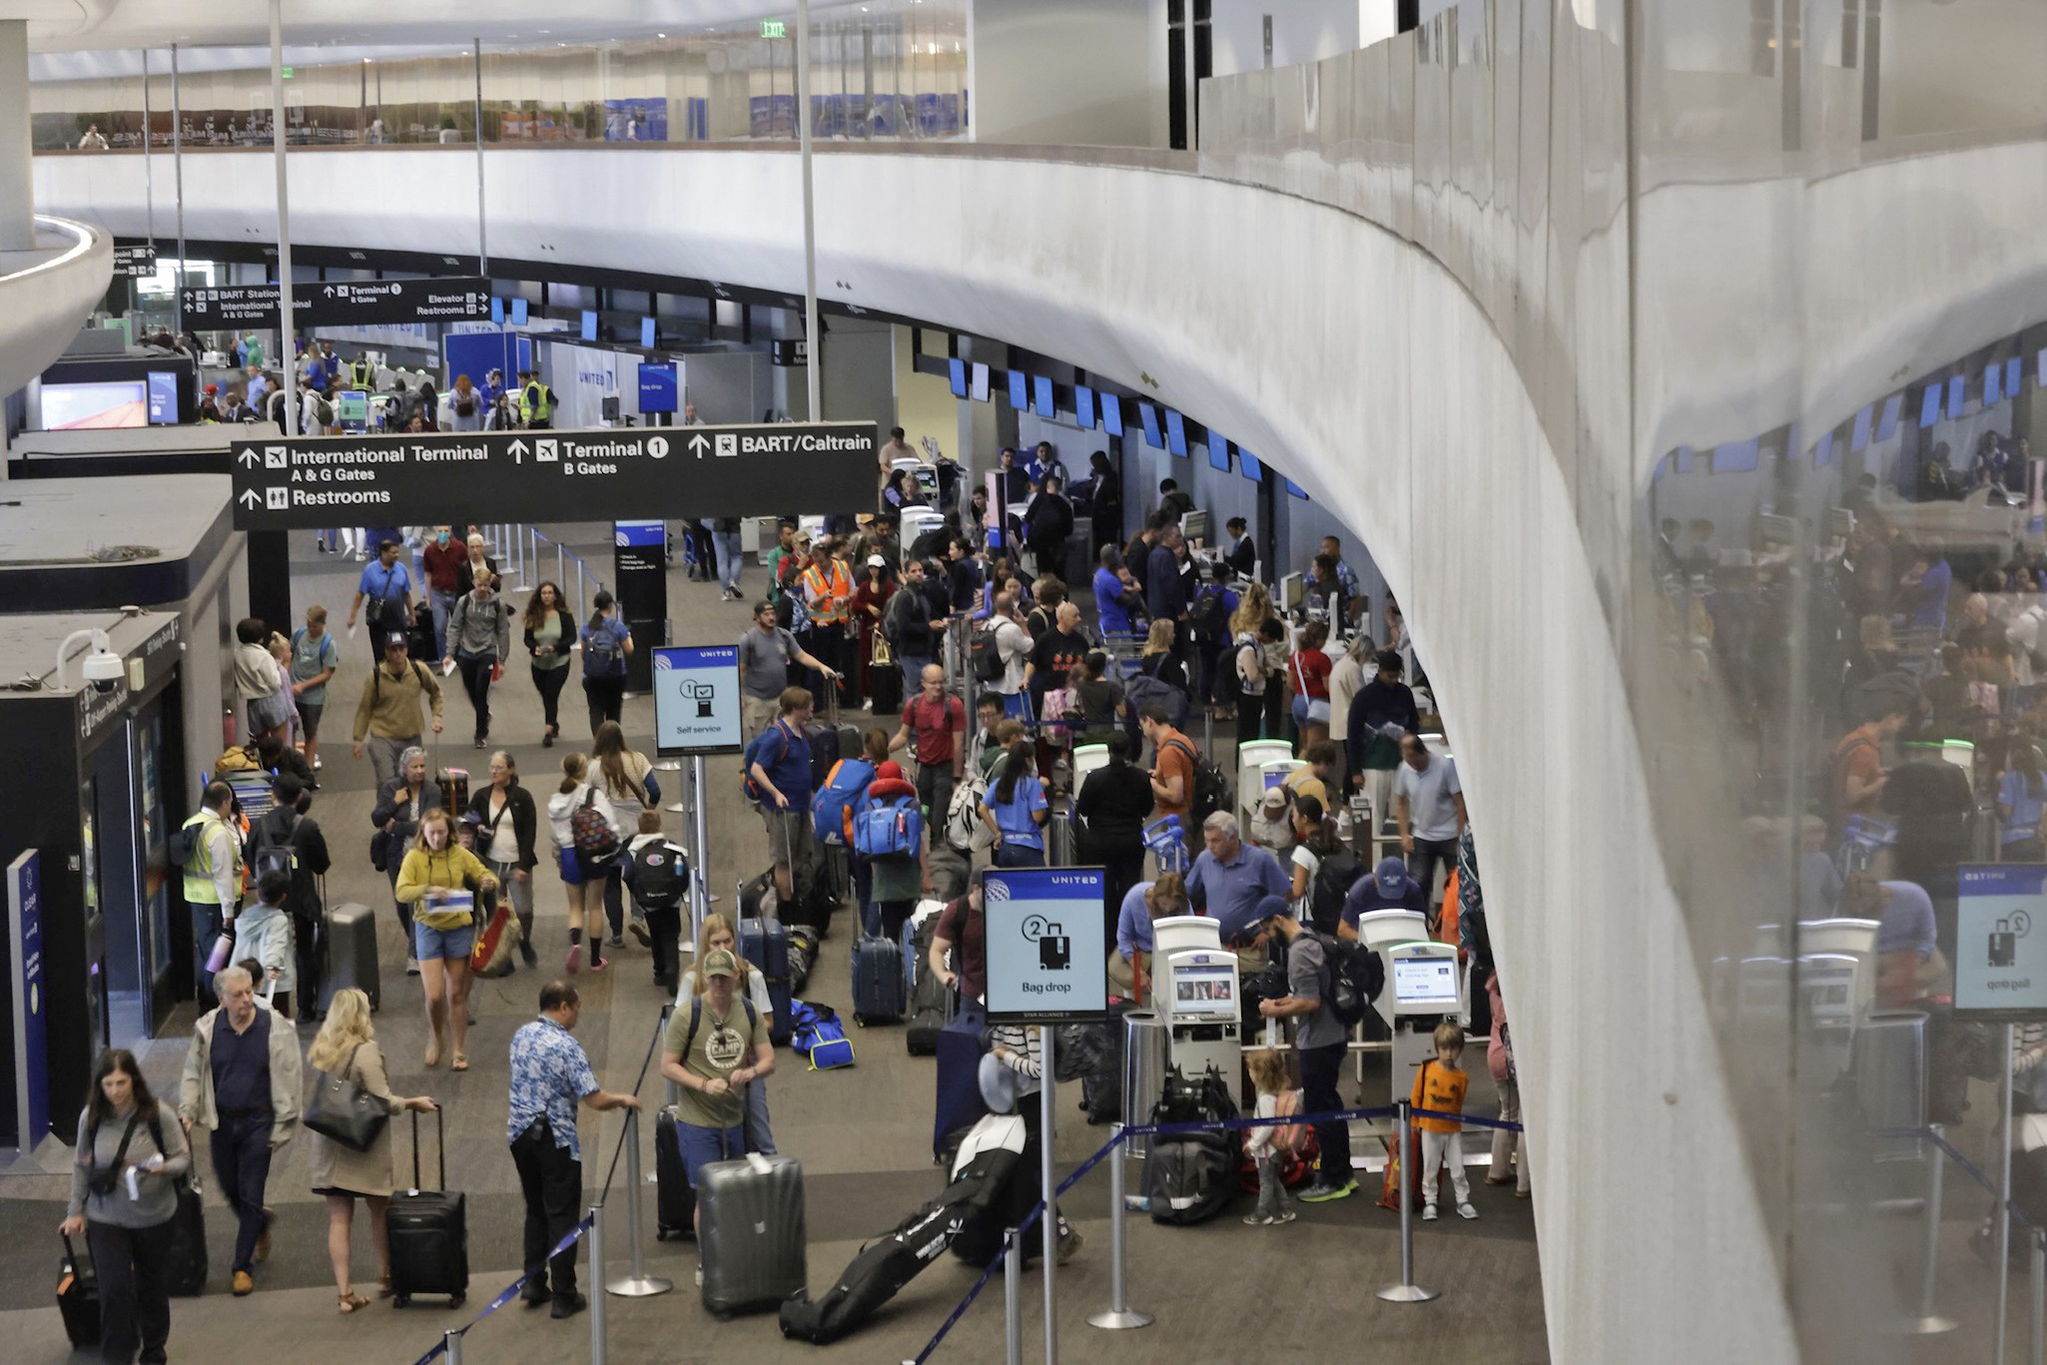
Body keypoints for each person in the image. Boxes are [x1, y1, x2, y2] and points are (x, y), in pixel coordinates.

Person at [507, 981, 641, 1318]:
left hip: (519, 1135)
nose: (579, 1013)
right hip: (555, 1137)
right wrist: (621, 1099)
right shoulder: (566, 1046)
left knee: (535, 1208)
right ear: (563, 1006)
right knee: (562, 1214)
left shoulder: (521, 1035)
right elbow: (592, 1097)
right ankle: (564, 1295)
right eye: (577, 1007)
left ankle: (534, 1281)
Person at [305, 990, 437, 1312]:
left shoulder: (323, 1049)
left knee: (339, 1218)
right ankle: (385, 1274)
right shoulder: (365, 1051)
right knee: (380, 1208)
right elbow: (384, 1101)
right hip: (362, 1145)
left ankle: (345, 1293)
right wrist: (413, 1103)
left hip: (329, 1143)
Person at [178, 965, 303, 1295]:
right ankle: (260, 1222)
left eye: (249, 991)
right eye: (238, 995)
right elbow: (193, 1072)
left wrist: (283, 1125)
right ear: (222, 999)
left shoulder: (272, 1026)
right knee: (228, 1187)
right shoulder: (208, 1029)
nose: (247, 999)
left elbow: (292, 1076)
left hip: (259, 1121)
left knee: (250, 1193)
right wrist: (188, 1111)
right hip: (222, 1122)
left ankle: (241, 1267)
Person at [62, 1049, 191, 1364]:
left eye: (121, 1082)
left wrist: (161, 1169)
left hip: (154, 1217)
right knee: (115, 1291)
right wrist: (75, 1211)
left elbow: (182, 1158)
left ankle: (153, 1350)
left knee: (151, 1287)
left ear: (134, 1080)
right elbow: (82, 1166)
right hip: (106, 1218)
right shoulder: (90, 1118)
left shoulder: (157, 1114)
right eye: (108, 1084)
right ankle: (117, 1356)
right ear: (99, 1085)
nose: (115, 1091)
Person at [1228, 895, 1354, 1203]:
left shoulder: (1298, 953)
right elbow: (1308, 992)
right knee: (1331, 1106)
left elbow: (1310, 1001)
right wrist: (1280, 1002)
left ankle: (1332, 1180)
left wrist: (1275, 1011)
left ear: (1279, 920)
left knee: (1321, 1110)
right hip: (1334, 1034)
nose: (1267, 935)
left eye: (1268, 928)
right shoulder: (1315, 940)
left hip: (1318, 1042)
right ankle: (1344, 1173)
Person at [659, 948, 775, 1261]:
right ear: (706, 980)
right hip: (698, 1123)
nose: (720, 984)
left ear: (737, 977)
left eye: (725, 977)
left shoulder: (748, 1011)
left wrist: (749, 1072)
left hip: (734, 1119)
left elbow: (768, 1061)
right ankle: (708, 1261)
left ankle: (734, 1259)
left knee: (735, 1194)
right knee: (707, 1197)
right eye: (714, 978)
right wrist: (703, 1084)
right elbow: (667, 1065)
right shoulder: (688, 1015)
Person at [395, 809, 498, 1071]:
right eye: (432, 833)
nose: (437, 838)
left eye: (442, 832)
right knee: (435, 995)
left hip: (458, 928)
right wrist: (428, 889)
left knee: (456, 993)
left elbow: (485, 874)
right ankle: (436, 1037)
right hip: (428, 928)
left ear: (449, 832)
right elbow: (402, 892)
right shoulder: (415, 858)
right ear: (423, 833)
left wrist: (487, 881)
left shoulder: (460, 855)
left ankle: (459, 1050)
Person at [987, 1022, 1082, 1263]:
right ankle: (1056, 1236)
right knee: (1025, 1174)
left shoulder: (1032, 1029)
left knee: (1032, 1173)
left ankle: (1057, 1235)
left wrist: (1006, 1057)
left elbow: (1041, 1069)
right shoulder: (1000, 1023)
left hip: (1034, 1102)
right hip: (1010, 1101)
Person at [888, 664, 965, 885]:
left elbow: (958, 743)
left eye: (941, 682)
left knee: (939, 818)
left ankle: (935, 867)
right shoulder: (913, 705)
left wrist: (957, 778)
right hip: (924, 769)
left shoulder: (954, 705)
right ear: (923, 684)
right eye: (933, 683)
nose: (938, 687)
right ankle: (937, 858)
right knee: (927, 815)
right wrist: (882, 751)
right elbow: (903, 735)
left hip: (945, 768)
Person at [372, 748, 443, 977]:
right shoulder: (391, 788)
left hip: (423, 855)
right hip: (396, 855)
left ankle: (415, 954)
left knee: (416, 904)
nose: (420, 771)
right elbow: (377, 819)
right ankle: (416, 941)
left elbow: (428, 825)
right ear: (404, 768)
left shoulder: (433, 790)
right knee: (402, 903)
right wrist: (394, 803)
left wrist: (397, 827)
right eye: (415, 767)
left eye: (422, 766)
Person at [748, 687, 822, 904]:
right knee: (784, 860)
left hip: (801, 806)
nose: (812, 709)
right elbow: (756, 769)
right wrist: (776, 793)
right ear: (796, 709)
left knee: (802, 855)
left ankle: (796, 898)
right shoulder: (777, 737)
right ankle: (786, 906)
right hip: (783, 809)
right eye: (808, 705)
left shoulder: (801, 732)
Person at [470, 750, 542, 970]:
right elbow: (469, 817)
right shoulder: (482, 795)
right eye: (492, 767)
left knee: (523, 910)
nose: (494, 771)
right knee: (496, 912)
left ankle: (524, 940)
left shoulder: (522, 797)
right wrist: (479, 827)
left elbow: (530, 831)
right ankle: (505, 956)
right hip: (490, 862)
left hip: (516, 863)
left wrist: (523, 865)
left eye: (499, 767)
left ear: (511, 769)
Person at [548, 753, 617, 974]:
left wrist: (559, 859)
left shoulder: (556, 799)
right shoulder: (593, 795)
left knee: (575, 906)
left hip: (569, 854)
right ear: (584, 770)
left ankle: (576, 944)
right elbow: (610, 824)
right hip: (595, 854)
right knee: (595, 906)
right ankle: (596, 960)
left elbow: (555, 837)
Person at [590, 720, 657, 949]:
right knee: (636, 877)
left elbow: (586, 799)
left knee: (610, 884)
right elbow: (655, 790)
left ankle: (616, 934)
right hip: (636, 830)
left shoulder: (593, 767)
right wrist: (649, 808)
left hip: (607, 833)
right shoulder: (637, 759)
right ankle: (638, 919)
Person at [351, 630, 444, 790]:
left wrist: (436, 716)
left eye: (401, 648)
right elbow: (365, 708)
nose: (398, 653)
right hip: (383, 737)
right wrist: (358, 739)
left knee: (413, 781)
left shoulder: (419, 670)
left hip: (412, 736)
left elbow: (436, 693)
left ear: (407, 650)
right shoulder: (376, 676)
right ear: (387, 652)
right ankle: (385, 814)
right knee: (388, 783)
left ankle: (410, 814)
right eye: (393, 649)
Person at [178, 782, 242, 1004]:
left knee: (206, 953)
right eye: (229, 803)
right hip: (215, 903)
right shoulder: (218, 832)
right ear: (224, 803)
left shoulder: (190, 823)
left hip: (196, 899)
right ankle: (212, 1004)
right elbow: (222, 875)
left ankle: (206, 1001)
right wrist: (229, 911)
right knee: (217, 957)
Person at [1076, 731, 1153, 914]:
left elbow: (1083, 808)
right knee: (1130, 893)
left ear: (1108, 751)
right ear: (1129, 750)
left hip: (1100, 843)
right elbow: (1147, 808)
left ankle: (1108, 934)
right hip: (1130, 841)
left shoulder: (1095, 778)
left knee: (1104, 894)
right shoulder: (1141, 777)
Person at [739, 599, 839, 741]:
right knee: (758, 742)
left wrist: (821, 666)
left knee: (784, 739)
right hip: (757, 700)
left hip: (781, 699)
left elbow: (802, 656)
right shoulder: (748, 640)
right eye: (766, 614)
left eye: (773, 613)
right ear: (757, 617)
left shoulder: (784, 636)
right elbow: (741, 670)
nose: (771, 617)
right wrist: (741, 697)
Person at [1394, 733, 1466, 917]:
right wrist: (1404, 834)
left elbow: (1459, 802)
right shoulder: (1405, 769)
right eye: (1409, 763)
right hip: (1422, 835)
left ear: (1424, 752)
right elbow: (1400, 802)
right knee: (1418, 885)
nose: (1414, 767)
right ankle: (1420, 926)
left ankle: (1457, 926)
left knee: (1456, 885)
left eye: (1416, 762)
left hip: (1449, 834)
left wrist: (1460, 835)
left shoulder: (1444, 766)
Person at [1412, 1021, 1478, 1220]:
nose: (1449, 1053)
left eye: (1454, 1048)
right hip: (1430, 1127)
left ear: (1460, 1049)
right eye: (1444, 1048)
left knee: (1458, 1167)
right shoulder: (1426, 1070)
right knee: (1430, 1168)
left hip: (1452, 1129)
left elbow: (1458, 1102)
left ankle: (1463, 1200)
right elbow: (1416, 1096)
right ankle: (1430, 1201)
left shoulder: (1461, 1077)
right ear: (1437, 1048)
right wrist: (1415, 1121)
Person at [443, 570, 511, 749]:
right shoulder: (464, 602)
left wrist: (502, 660)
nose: (482, 589)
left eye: (486, 585)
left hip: (487, 651)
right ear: (473, 582)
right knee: (470, 689)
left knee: (481, 691)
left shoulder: (498, 605)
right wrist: (450, 653)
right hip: (466, 651)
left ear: (490, 585)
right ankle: (485, 714)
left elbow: (503, 632)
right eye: (479, 585)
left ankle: (480, 732)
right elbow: (455, 626)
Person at [1186, 812, 1290, 925]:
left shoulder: (1259, 860)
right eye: (1207, 840)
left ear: (1232, 838)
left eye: (1215, 841)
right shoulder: (1204, 859)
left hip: (1252, 940)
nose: (1210, 846)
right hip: (1214, 939)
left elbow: (1284, 896)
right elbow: (1187, 892)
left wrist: (1267, 930)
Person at [1346, 650, 1421, 808]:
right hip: (1372, 765)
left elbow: (1414, 723)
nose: (1393, 680)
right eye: (1389, 676)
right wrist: (1355, 771)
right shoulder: (1364, 697)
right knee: (1374, 813)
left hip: (1402, 763)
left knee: (1401, 812)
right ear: (1380, 672)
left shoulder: (1405, 693)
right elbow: (1353, 734)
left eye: (1397, 676)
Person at [622, 812, 688, 990]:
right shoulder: (671, 847)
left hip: (649, 904)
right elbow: (684, 871)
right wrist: (679, 891)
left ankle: (659, 972)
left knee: (656, 935)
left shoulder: (634, 851)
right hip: (671, 901)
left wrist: (638, 893)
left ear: (640, 829)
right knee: (671, 935)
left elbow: (627, 875)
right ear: (660, 826)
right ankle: (673, 969)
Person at [1107, 872, 1189, 1001]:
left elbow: (1191, 938)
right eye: (1164, 904)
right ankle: (1132, 999)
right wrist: (1139, 973)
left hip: (1169, 949)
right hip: (1140, 947)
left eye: (1171, 906)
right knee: (1121, 971)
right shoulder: (1134, 897)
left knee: (1170, 983)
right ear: (1155, 896)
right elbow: (1124, 939)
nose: (1167, 909)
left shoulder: (1185, 907)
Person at [1243, 1047, 1300, 1227]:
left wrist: (1253, 1143)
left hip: (1266, 1150)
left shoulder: (1266, 1099)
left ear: (1260, 1074)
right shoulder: (1272, 1094)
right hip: (1273, 1149)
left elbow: (1267, 1126)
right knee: (1273, 1180)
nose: (1249, 1072)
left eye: (1252, 1069)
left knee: (1266, 1182)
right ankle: (1285, 1210)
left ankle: (1262, 1213)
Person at [1485, 974, 1530, 1197]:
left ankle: (1498, 1170)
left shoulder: (1494, 987)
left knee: (1507, 1113)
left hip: (1496, 1056)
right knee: (1525, 1121)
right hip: (1519, 1059)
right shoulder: (1523, 992)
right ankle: (1525, 1183)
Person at [233, 871, 298, 1019]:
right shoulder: (278, 919)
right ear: (283, 897)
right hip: (272, 981)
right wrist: (272, 966)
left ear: (257, 893)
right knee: (278, 1020)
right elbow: (277, 943)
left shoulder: (245, 916)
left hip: (245, 976)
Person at [345, 538, 416, 664]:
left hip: (398, 618)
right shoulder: (370, 570)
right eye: (393, 553)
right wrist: (352, 617)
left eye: (397, 552)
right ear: (383, 553)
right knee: (380, 655)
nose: (396, 555)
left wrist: (412, 614)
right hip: (378, 620)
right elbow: (360, 594)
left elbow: (406, 594)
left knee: (400, 652)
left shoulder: (401, 569)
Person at [289, 606, 341, 777]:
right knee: (291, 730)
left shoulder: (328, 644)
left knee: (310, 732)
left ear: (322, 624)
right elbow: (290, 655)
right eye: (309, 625)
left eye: (314, 627)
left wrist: (304, 686)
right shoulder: (299, 635)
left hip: (313, 698)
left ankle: (308, 770)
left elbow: (327, 674)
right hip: (293, 693)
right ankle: (293, 765)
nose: (311, 630)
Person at [980, 741, 1049, 867]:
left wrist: (997, 833)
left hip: (1005, 848)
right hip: (1029, 848)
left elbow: (982, 809)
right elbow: (1037, 817)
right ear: (1028, 761)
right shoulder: (1032, 785)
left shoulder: (999, 784)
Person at [524, 581, 575, 747]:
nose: (547, 596)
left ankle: (548, 730)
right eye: (544, 593)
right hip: (539, 663)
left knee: (552, 694)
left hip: (559, 661)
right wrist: (535, 648)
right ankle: (554, 722)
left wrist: (555, 647)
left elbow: (571, 638)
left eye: (550, 593)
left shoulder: (564, 616)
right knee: (546, 694)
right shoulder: (533, 615)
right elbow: (528, 638)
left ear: (555, 596)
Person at [575, 591, 634, 735]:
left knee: (595, 711)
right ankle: (612, 745)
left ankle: (599, 744)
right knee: (613, 712)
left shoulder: (587, 627)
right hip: (615, 676)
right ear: (610, 605)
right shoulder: (618, 626)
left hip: (592, 677)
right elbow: (629, 650)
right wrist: (630, 638)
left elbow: (583, 654)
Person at [884, 558, 940, 694]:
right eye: (914, 571)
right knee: (915, 691)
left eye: (920, 570)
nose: (918, 574)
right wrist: (928, 627)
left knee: (926, 691)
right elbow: (903, 627)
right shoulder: (905, 597)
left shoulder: (923, 593)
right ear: (906, 574)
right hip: (911, 652)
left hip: (926, 650)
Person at [928, 881, 987, 1004]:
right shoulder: (958, 909)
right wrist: (943, 974)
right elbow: (936, 950)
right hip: (972, 993)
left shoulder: (1009, 908)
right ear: (976, 889)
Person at [1340, 854, 1428, 935]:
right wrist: (1366, 940)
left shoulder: (1413, 890)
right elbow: (1342, 929)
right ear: (1375, 878)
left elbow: (1420, 926)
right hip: (1366, 941)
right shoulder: (1360, 890)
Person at [1140, 704, 1196, 829]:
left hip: (1176, 820)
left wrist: (1152, 784)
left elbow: (1175, 796)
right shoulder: (1182, 739)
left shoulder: (1168, 752)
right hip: (1189, 813)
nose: (1143, 731)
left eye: (1142, 725)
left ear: (1150, 722)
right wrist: (1159, 773)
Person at [1287, 621, 1335, 751]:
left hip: (1299, 702)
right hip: (1317, 704)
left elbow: (1290, 682)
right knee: (1315, 750)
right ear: (1319, 640)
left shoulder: (1295, 656)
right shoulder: (1322, 658)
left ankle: (1300, 769)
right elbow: (1327, 687)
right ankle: (1302, 771)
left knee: (1306, 745)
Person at [1145, 521, 1190, 645]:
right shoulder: (1167, 557)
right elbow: (1172, 586)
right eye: (1177, 536)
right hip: (1168, 613)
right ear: (1166, 537)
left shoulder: (1154, 554)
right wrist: (1181, 610)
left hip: (1156, 609)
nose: (1181, 540)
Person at [421, 526, 463, 656]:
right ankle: (444, 658)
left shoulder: (459, 548)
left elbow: (467, 569)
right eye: (440, 531)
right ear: (436, 532)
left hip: (457, 593)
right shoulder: (430, 550)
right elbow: (428, 574)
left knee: (459, 627)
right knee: (439, 628)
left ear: (450, 531)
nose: (443, 534)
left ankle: (461, 656)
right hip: (438, 594)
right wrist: (428, 597)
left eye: (446, 531)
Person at [1025, 476, 1074, 580]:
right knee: (1060, 575)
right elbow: (1069, 530)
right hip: (1058, 544)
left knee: (1043, 575)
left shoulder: (1039, 500)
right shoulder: (1064, 504)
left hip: (1041, 545)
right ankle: (1062, 595)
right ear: (1059, 488)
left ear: (1046, 487)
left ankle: (1044, 594)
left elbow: (1027, 518)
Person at [1138, 618, 1188, 691]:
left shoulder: (1146, 656)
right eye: (1172, 632)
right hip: (1167, 699)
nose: (1174, 635)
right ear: (1166, 635)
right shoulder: (1169, 659)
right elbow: (1179, 686)